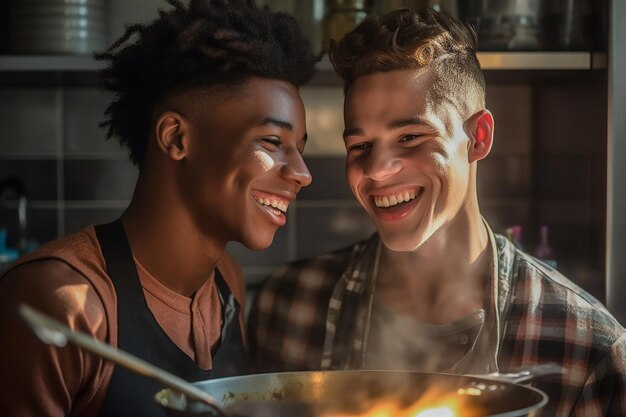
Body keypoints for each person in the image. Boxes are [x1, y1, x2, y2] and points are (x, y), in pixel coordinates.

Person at [248, 7, 626, 417]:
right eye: (359, 146)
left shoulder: (588, 347)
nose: (376, 170)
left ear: (478, 138)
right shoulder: (287, 305)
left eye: (410, 137)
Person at [0, 0, 316, 416]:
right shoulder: (63, 302)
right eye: (273, 142)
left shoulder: (226, 281)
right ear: (176, 138)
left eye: (300, 150)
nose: (302, 172)